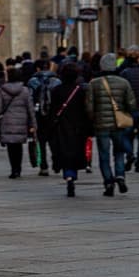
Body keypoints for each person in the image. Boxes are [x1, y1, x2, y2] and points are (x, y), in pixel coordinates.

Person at [85, 53, 135, 196]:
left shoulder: (94, 83)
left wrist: (93, 119)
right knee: (119, 152)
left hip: (101, 125)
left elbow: (89, 107)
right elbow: (132, 104)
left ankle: (108, 182)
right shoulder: (124, 83)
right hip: (119, 124)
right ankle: (120, 175)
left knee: (104, 154)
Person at [48, 62, 90, 197]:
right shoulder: (81, 91)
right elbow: (86, 111)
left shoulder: (56, 91)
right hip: (78, 127)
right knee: (75, 153)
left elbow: (52, 111)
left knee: (64, 153)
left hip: (61, 126)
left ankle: (68, 176)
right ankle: (72, 175)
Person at [0, 66, 38, 178]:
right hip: (21, 122)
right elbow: (30, 108)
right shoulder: (25, 90)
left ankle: (13, 169)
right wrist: (33, 124)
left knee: (11, 147)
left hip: (7, 122)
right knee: (18, 147)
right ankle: (18, 169)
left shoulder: (2, 90)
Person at [28, 58, 61, 175]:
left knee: (41, 141)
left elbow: (30, 99)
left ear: (38, 68)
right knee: (54, 140)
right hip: (53, 115)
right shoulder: (56, 81)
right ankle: (56, 163)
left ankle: (43, 166)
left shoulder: (33, 81)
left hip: (38, 115)